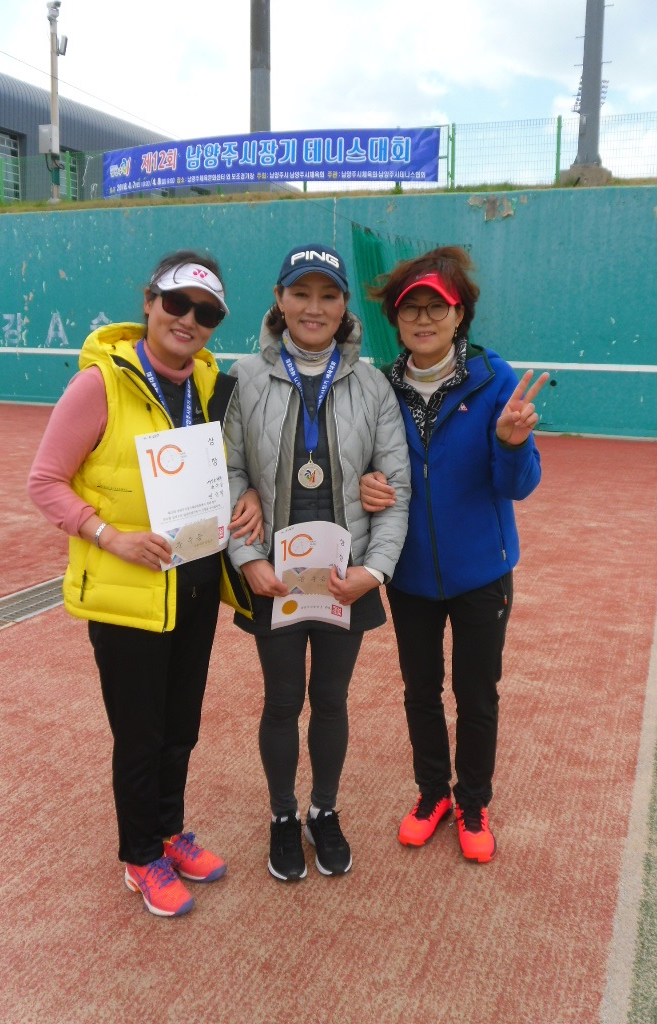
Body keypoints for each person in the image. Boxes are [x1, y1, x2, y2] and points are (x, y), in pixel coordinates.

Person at [27, 250, 260, 917]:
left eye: (206, 313)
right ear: (150, 303)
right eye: (177, 303)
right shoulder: (97, 385)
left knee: (180, 727)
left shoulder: (213, 384)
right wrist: (109, 536)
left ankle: (167, 833)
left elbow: (227, 471)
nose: (189, 320)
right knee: (140, 735)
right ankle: (140, 858)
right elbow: (45, 482)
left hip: (196, 582)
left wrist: (247, 498)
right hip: (129, 590)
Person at [223, 243, 410, 881]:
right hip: (272, 578)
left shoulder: (374, 384)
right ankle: (282, 816)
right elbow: (228, 472)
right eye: (300, 293)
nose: (314, 307)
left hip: (343, 580)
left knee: (331, 700)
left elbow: (395, 488)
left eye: (328, 295)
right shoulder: (243, 377)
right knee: (281, 702)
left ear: (344, 305)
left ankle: (323, 811)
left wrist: (374, 572)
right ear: (279, 300)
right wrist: (247, 558)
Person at [361, 246, 548, 863]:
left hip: (481, 573)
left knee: (476, 693)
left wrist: (512, 444)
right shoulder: (379, 387)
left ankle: (472, 802)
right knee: (421, 690)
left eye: (436, 308)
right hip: (408, 572)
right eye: (409, 308)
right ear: (395, 318)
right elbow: (365, 465)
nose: (423, 319)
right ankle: (431, 795)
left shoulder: (495, 380)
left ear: (459, 314)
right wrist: (366, 484)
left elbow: (517, 486)